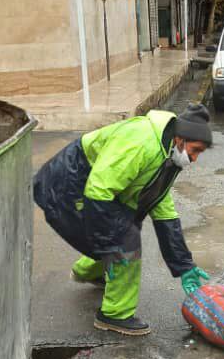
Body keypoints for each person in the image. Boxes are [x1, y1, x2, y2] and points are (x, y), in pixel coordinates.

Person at [34, 103, 212, 336]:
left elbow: (163, 208)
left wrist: (184, 265)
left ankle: (88, 271)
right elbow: (98, 190)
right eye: (195, 150)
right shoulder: (142, 142)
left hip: (97, 188)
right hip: (67, 186)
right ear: (181, 138)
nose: (195, 158)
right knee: (124, 242)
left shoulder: (166, 150)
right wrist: (115, 244)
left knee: (122, 230)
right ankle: (114, 315)